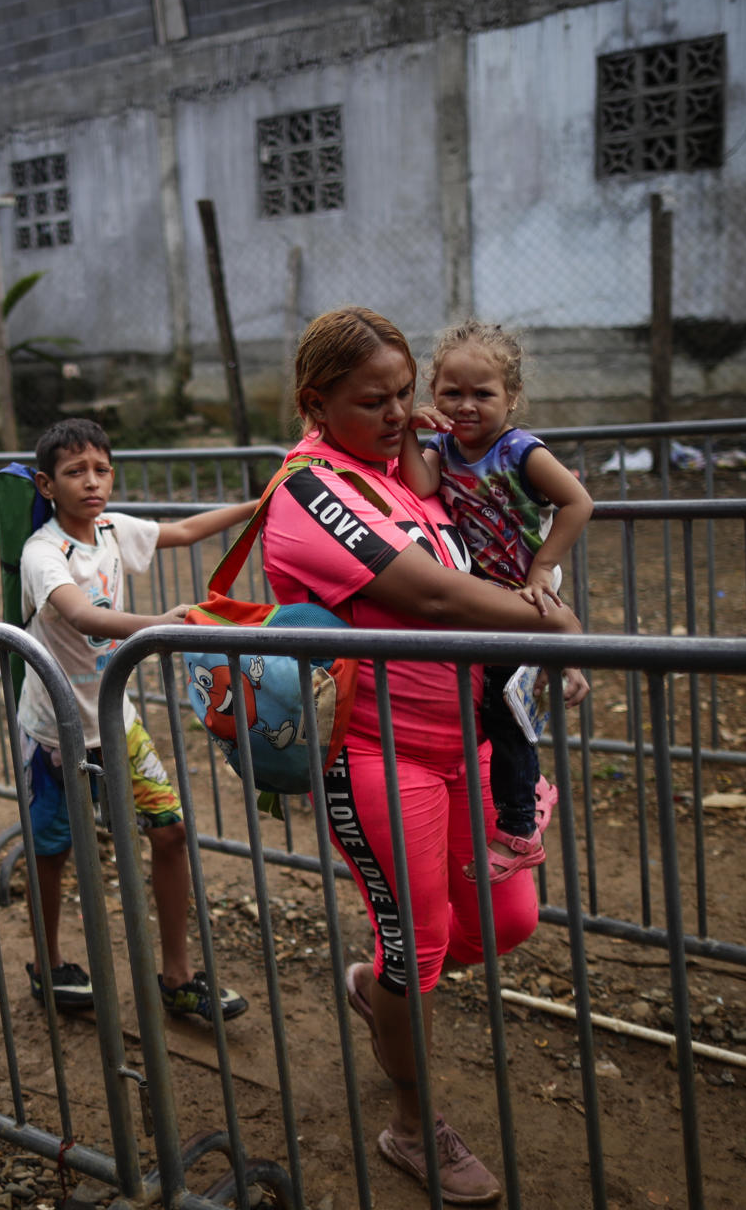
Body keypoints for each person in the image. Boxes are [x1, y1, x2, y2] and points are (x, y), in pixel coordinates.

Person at [258, 307, 589, 1203]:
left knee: (508, 918)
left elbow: (491, 547)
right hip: (379, 753)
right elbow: (434, 597)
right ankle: (413, 1124)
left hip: (467, 740)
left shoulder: (404, 472)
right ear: (315, 403)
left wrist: (539, 595)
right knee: (423, 944)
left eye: (408, 392)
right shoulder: (312, 486)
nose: (402, 412)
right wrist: (552, 625)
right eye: (376, 401)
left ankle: (378, 987)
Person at [17, 417, 259, 1021]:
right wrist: (161, 623)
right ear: (47, 484)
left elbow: (184, 530)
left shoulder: (111, 529)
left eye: (101, 469)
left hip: (113, 717)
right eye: (75, 472)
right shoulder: (43, 552)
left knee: (170, 832)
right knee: (52, 850)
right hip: (55, 731)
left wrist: (258, 505)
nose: (91, 482)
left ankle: (176, 977)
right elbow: (82, 617)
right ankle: (49, 968)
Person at [396, 320, 595, 883]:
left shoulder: (520, 451)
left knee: (506, 716)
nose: (465, 406)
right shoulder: (444, 450)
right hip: (484, 601)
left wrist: (543, 566)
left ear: (511, 398)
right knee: (497, 707)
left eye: (482, 394)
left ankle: (520, 831)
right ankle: (531, 783)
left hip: (525, 595)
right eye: (450, 393)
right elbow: (420, 487)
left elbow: (578, 503)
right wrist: (412, 430)